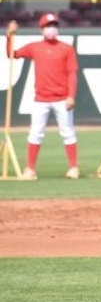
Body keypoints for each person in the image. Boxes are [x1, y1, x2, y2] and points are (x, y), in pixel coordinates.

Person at [5, 13, 80, 180]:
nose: (51, 28)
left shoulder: (66, 48)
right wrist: (9, 36)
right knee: (35, 133)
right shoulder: (35, 47)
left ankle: (73, 168)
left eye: (53, 25)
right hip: (41, 98)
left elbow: (72, 74)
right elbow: (12, 54)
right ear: (41, 29)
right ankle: (30, 169)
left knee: (68, 132)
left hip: (62, 98)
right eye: (47, 26)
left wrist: (71, 96)